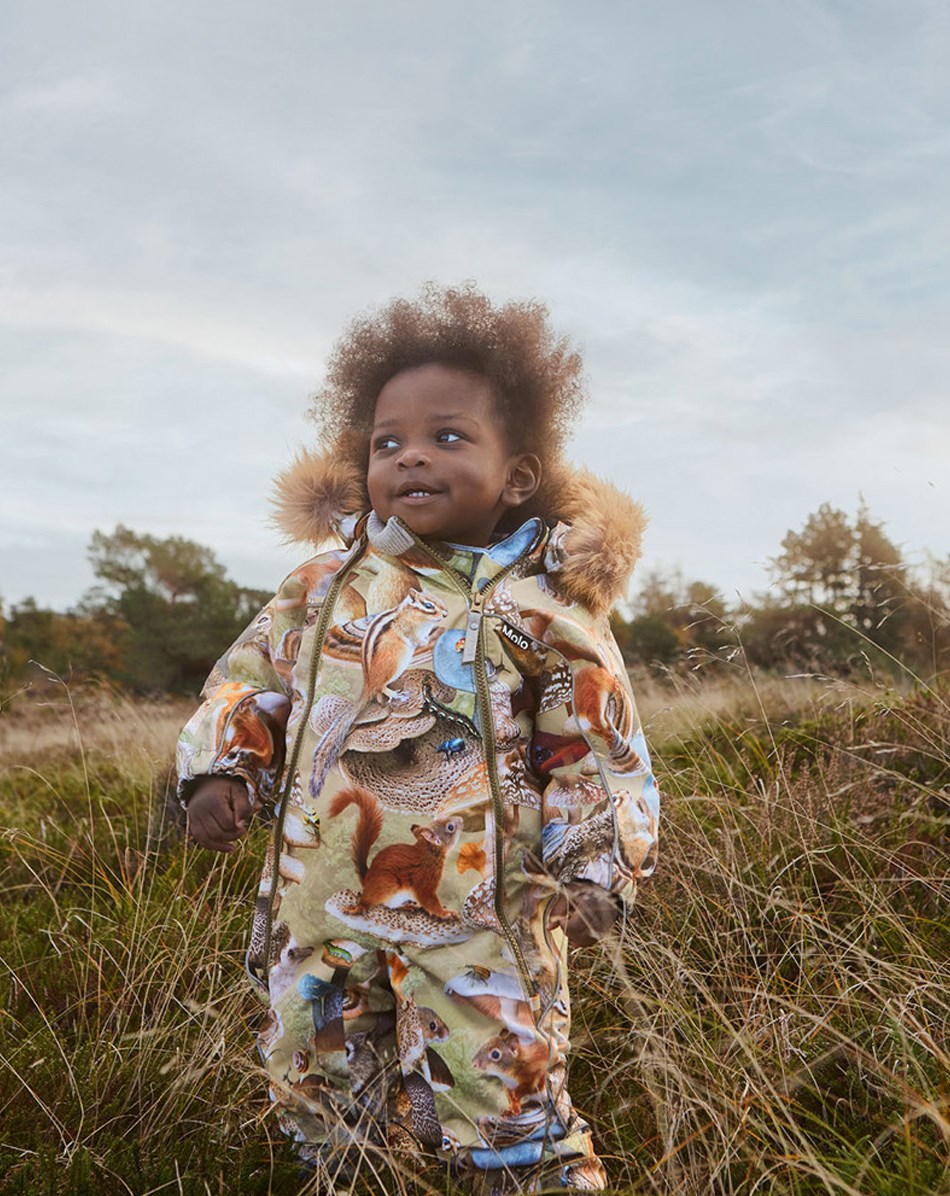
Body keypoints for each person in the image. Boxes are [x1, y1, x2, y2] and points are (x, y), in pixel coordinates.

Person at [176, 284, 659, 1193]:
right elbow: (254, 675)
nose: (410, 459)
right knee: (314, 1067)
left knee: (502, 1084)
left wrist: (599, 864)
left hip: (484, 910)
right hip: (319, 900)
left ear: (516, 475)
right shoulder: (322, 587)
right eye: (386, 442)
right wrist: (223, 766)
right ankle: (346, 1167)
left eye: (447, 436)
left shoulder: (541, 607)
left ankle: (521, 1174)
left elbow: (595, 744)